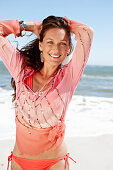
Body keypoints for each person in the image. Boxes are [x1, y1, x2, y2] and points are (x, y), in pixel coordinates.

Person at [0, 15, 94, 170]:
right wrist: (30, 26)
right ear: (40, 45)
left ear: (69, 48)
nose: (56, 49)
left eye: (62, 43)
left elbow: (87, 32)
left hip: (54, 164)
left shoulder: (68, 77)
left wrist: (59, 25)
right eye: (49, 42)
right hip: (19, 162)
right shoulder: (21, 69)